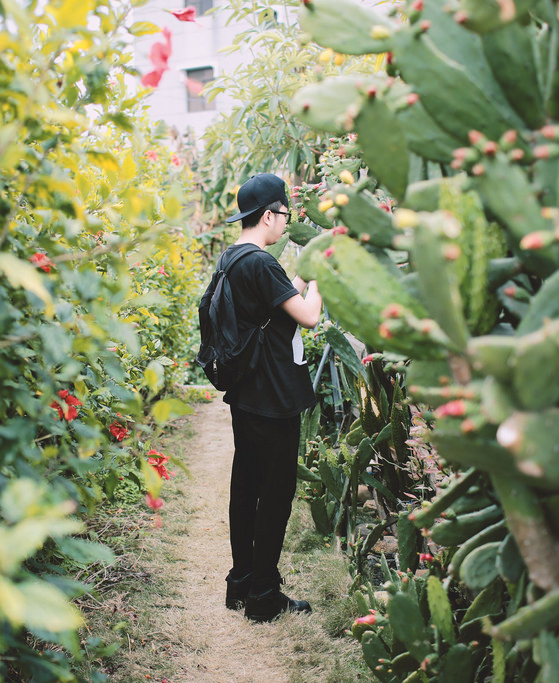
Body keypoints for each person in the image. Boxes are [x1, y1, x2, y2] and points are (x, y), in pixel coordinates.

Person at [217, 173, 323, 622]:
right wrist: (319, 274)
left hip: (247, 393)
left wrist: (298, 275)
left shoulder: (233, 258)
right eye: (284, 214)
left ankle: (240, 584)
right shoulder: (261, 263)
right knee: (275, 495)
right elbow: (309, 317)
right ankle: (264, 596)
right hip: (274, 397)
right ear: (268, 215)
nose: (286, 222)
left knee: (246, 488)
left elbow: (274, 307)